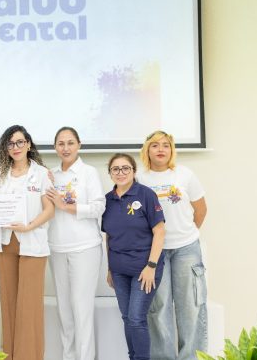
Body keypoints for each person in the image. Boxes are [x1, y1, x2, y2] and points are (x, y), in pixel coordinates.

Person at [138, 130, 208, 360]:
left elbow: (201, 210)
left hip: (186, 249)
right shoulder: (139, 178)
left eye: (166, 145)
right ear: (147, 150)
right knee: (158, 308)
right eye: (155, 145)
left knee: (191, 306)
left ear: (172, 150)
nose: (161, 149)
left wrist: (184, 234)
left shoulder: (185, 174)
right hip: (154, 252)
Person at [0, 125, 55, 360]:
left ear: (28, 144)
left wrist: (29, 226)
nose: (15, 147)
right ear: (5, 148)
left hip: (32, 243)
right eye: (10, 143)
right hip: (5, 243)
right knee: (8, 304)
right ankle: (8, 356)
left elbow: (49, 210)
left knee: (29, 306)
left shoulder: (42, 174)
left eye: (19, 142)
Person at [45, 127, 105, 360]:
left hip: (85, 247)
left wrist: (66, 206)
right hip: (56, 247)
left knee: (82, 309)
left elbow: (99, 207)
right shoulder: (50, 175)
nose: (66, 148)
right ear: (55, 147)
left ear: (79, 145)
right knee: (64, 310)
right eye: (61, 143)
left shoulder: (89, 173)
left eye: (70, 143)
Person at [102, 153, 165, 360]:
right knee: (127, 317)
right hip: (119, 270)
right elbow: (109, 237)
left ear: (134, 171)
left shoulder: (146, 195)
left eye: (125, 168)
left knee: (137, 318)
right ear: (110, 173)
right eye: (115, 169)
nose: (120, 173)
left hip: (144, 268)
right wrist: (110, 269)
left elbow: (160, 231)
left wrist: (151, 266)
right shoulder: (107, 200)